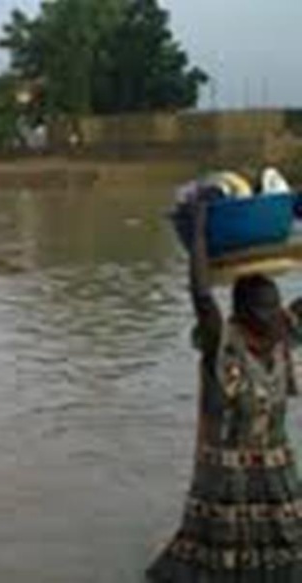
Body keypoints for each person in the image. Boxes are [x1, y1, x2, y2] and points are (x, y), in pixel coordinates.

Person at [147, 197, 302, 580]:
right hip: (225, 474)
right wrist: (199, 232)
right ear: (240, 311)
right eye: (262, 309)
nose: (271, 316)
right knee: (217, 562)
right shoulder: (221, 341)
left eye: (274, 305)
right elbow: (201, 295)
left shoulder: (284, 332)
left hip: (276, 467)